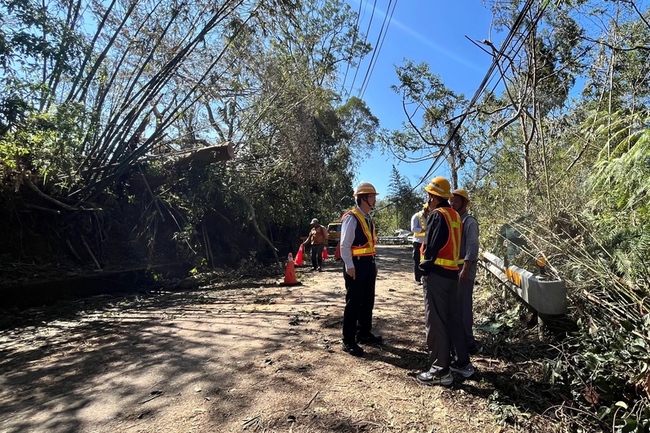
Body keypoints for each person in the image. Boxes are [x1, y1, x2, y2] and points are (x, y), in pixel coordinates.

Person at [416, 176, 475, 386]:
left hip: (438, 277)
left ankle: (440, 371)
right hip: (452, 274)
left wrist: (424, 270)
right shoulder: (455, 216)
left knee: (437, 323)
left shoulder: (437, 215)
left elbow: (430, 248)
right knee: (454, 320)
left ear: (432, 196)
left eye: (428, 195)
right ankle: (462, 363)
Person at [339, 182, 382, 357]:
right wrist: (349, 266)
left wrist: (373, 264)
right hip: (355, 265)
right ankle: (348, 340)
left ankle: (364, 333)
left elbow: (369, 245)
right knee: (354, 302)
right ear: (364, 198)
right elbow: (344, 245)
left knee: (368, 301)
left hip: (367, 264)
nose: (375, 199)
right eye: (372, 196)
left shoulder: (368, 218)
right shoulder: (352, 217)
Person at [450, 189, 480, 354]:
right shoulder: (456, 220)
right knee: (456, 306)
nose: (452, 204)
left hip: (464, 270)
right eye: (451, 201)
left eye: (455, 201)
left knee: (464, 306)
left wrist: (465, 270)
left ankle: (469, 342)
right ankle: (460, 339)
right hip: (456, 269)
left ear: (463, 202)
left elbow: (472, 247)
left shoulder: (469, 222)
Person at [410, 203, 430, 285]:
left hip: (426, 242)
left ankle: (424, 277)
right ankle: (417, 278)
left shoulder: (429, 217)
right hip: (418, 242)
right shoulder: (416, 216)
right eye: (427, 211)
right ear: (424, 209)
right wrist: (422, 230)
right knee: (417, 260)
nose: (428, 213)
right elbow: (413, 228)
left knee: (425, 261)